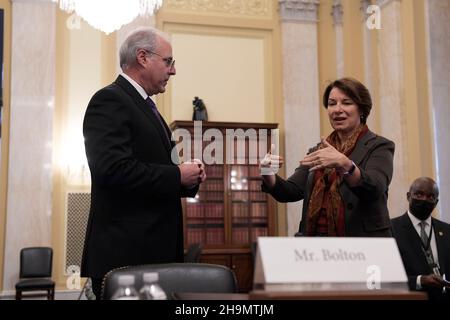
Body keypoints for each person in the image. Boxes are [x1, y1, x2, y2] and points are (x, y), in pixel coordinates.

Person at [81, 27, 206, 299]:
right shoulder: (110, 100)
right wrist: (176, 176)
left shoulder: (147, 106)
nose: (173, 70)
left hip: (152, 254)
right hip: (125, 256)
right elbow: (112, 170)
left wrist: (188, 177)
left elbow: (151, 169)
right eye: (168, 61)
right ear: (143, 57)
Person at [261, 77, 394, 237]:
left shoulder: (379, 146)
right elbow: (292, 191)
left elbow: (375, 188)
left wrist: (345, 164)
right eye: (332, 104)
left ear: (362, 109)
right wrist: (268, 175)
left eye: (346, 102)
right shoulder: (319, 150)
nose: (337, 109)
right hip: (317, 246)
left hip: (361, 245)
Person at [391, 177, 450, 300]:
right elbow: (388, 276)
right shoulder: (391, 229)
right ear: (408, 196)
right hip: (411, 297)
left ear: (436, 202)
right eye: (419, 194)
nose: (424, 199)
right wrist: (420, 280)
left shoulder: (446, 230)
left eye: (430, 197)